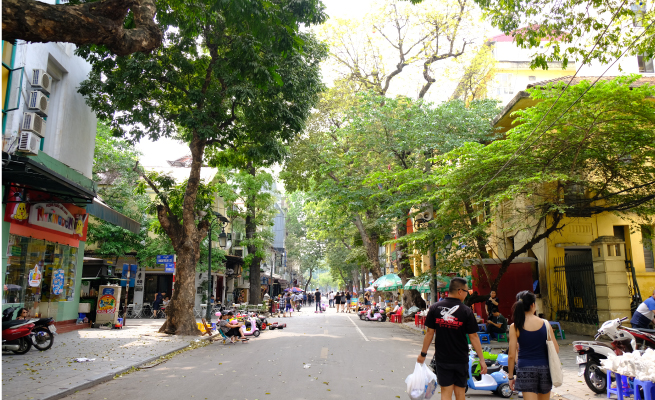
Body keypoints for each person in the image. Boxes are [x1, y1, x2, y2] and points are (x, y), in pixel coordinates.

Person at [417, 277, 487, 400]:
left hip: (443, 358)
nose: (467, 294)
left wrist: (423, 354)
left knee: (445, 392)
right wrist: (482, 360)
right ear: (460, 291)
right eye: (466, 291)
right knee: (460, 394)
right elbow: (474, 336)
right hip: (461, 359)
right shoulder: (466, 311)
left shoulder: (435, 308)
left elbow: (429, 333)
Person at [508, 290, 559, 400]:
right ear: (533, 305)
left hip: (525, 369)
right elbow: (556, 349)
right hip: (544, 369)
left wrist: (511, 377)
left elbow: (511, 355)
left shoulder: (515, 326)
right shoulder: (545, 324)